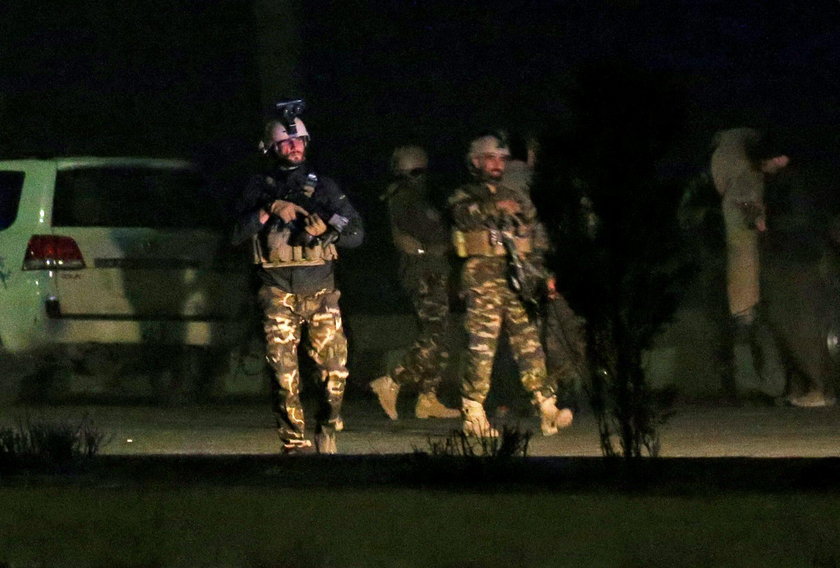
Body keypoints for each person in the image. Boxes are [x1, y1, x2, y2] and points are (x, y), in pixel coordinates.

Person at [232, 105, 363, 454]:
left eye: (299, 141)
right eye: (286, 143)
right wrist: (268, 210)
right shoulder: (258, 187)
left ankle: (326, 426)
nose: (294, 148)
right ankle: (294, 444)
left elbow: (356, 233)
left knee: (335, 375)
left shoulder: (323, 187)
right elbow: (234, 234)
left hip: (321, 292)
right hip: (277, 293)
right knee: (284, 378)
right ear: (271, 148)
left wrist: (329, 231)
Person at [448, 131, 573, 437]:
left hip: (517, 280)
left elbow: (532, 236)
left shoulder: (515, 198)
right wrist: (494, 208)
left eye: (502, 159)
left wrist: (545, 275)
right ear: (475, 161)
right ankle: (473, 412)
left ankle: (547, 407)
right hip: (482, 280)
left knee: (529, 344)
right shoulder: (463, 195)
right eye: (490, 158)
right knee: (482, 347)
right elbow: (461, 217)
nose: (497, 164)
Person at [369, 146, 461, 420]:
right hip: (424, 273)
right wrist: (439, 245)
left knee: (439, 337)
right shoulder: (405, 198)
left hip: (431, 271)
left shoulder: (411, 197)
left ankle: (428, 397)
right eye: (419, 171)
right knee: (434, 335)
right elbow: (415, 237)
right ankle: (393, 381)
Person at [709, 127, 788, 402]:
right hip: (746, 276)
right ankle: (763, 386)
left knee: (745, 328)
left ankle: (754, 386)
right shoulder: (747, 180)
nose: (779, 165)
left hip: (741, 275)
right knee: (752, 328)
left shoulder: (734, 180)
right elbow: (748, 211)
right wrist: (758, 219)